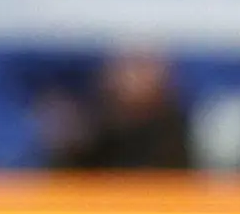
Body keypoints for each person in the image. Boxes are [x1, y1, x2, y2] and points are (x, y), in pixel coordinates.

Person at [45, 47, 195, 171]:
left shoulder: (180, 132)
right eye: (130, 66)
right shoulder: (89, 130)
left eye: (142, 66)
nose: (135, 78)